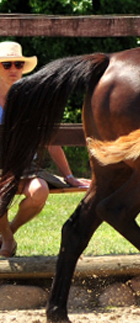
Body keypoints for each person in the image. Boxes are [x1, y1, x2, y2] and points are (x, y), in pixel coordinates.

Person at [0, 41, 90, 258]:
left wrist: (69, 176)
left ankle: (8, 233)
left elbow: (51, 138)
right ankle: (8, 243)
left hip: (24, 166)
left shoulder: (31, 99)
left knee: (40, 192)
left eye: (18, 64)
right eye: (7, 65)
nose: (14, 69)